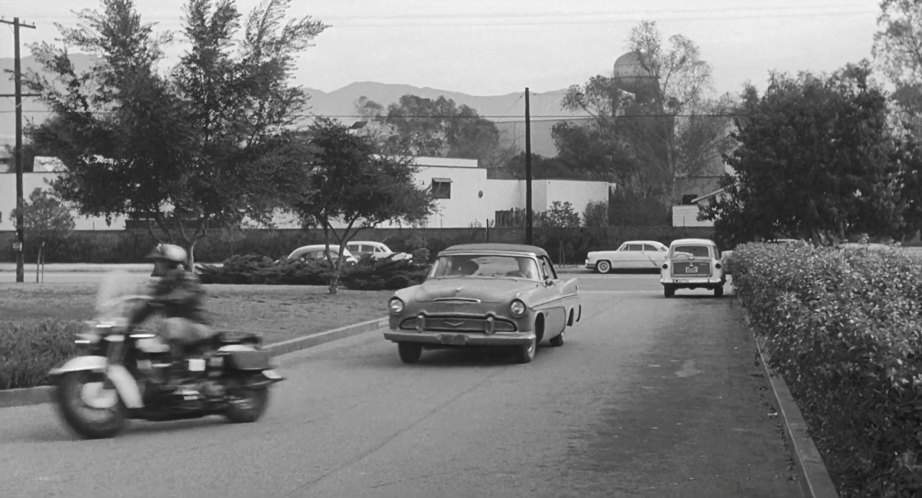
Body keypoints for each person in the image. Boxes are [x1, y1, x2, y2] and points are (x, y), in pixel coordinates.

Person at [131, 243, 213, 386]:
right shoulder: (163, 284)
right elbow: (148, 307)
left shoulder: (188, 279)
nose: (156, 265)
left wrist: (162, 299)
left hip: (199, 328)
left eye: (159, 261)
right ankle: (153, 378)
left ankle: (176, 376)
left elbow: (185, 295)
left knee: (170, 324)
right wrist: (130, 322)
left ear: (171, 263)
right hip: (180, 331)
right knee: (142, 341)